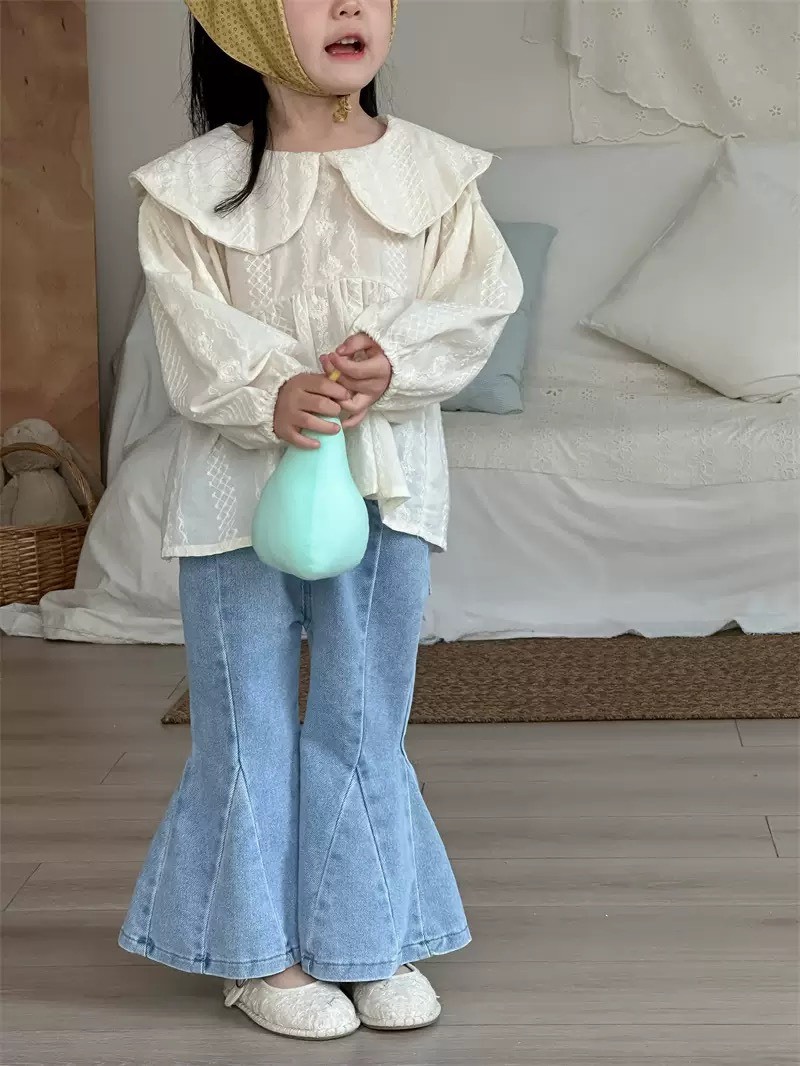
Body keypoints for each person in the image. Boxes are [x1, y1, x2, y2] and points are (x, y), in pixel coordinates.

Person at [118, 0, 522, 1041]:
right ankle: (263, 955)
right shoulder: (188, 188)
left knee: (361, 720)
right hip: (234, 500)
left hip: (385, 490)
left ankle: (365, 938)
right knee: (244, 726)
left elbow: (477, 298)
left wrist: (397, 362)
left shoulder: (436, 176)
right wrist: (271, 390)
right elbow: (190, 327)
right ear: (243, 19)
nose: (350, 7)